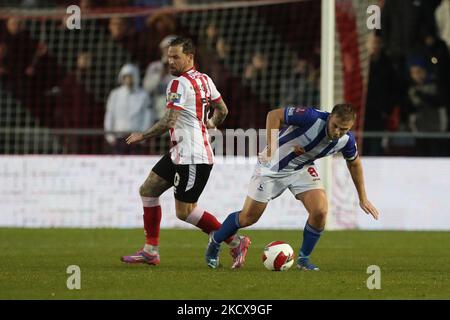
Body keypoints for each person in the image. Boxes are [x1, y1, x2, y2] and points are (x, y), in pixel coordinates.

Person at [120, 37, 250, 268]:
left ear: (190, 58)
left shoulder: (178, 84)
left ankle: (235, 241)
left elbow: (169, 120)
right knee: (148, 189)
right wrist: (210, 123)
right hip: (181, 151)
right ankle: (150, 251)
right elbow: (223, 109)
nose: (170, 61)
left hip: (193, 156)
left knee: (185, 211)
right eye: (169, 56)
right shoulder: (205, 80)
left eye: (175, 57)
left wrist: (143, 135)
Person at [205, 104, 380, 269]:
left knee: (320, 211)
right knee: (248, 218)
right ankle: (216, 241)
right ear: (330, 117)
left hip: (301, 168)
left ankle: (303, 259)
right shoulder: (311, 117)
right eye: (335, 126)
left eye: (344, 129)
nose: (337, 132)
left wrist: (362, 198)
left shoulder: (347, 141)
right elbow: (274, 115)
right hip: (271, 166)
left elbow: (354, 164)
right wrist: (271, 147)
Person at [104, 63, 152, 155]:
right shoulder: (115, 94)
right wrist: (110, 136)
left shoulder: (143, 95)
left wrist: (143, 137)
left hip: (136, 137)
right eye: (126, 77)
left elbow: (147, 117)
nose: (128, 80)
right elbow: (110, 115)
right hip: (118, 137)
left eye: (131, 76)